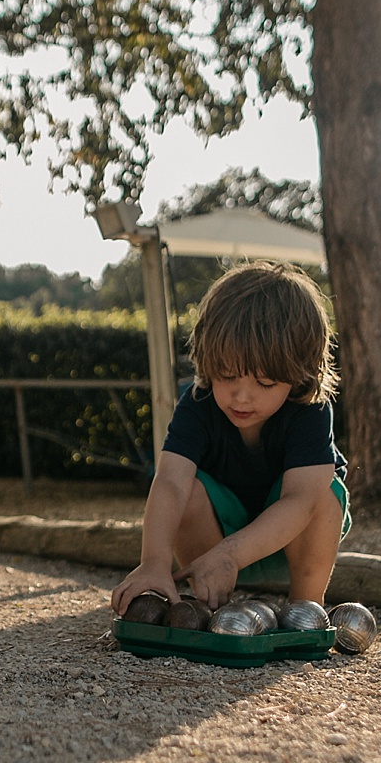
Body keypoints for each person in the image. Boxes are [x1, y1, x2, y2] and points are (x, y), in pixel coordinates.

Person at [110, 261, 350, 616]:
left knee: (324, 495)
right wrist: (154, 562)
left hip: (289, 544)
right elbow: (171, 483)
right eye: (226, 377)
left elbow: (302, 500)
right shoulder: (197, 403)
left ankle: (306, 608)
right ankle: (210, 604)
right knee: (186, 490)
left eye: (264, 384)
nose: (241, 397)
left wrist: (233, 553)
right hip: (213, 547)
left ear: (298, 377)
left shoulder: (308, 409)